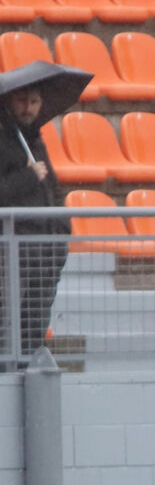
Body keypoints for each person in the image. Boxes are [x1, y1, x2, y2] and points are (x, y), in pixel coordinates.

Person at [0, 85, 69, 363]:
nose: (28, 108)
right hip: (12, 249)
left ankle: (29, 372)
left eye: (34, 101)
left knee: (35, 321)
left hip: (45, 248)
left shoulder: (35, 141)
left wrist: (63, 233)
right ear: (9, 103)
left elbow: (53, 189)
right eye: (21, 100)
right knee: (7, 320)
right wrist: (28, 177)